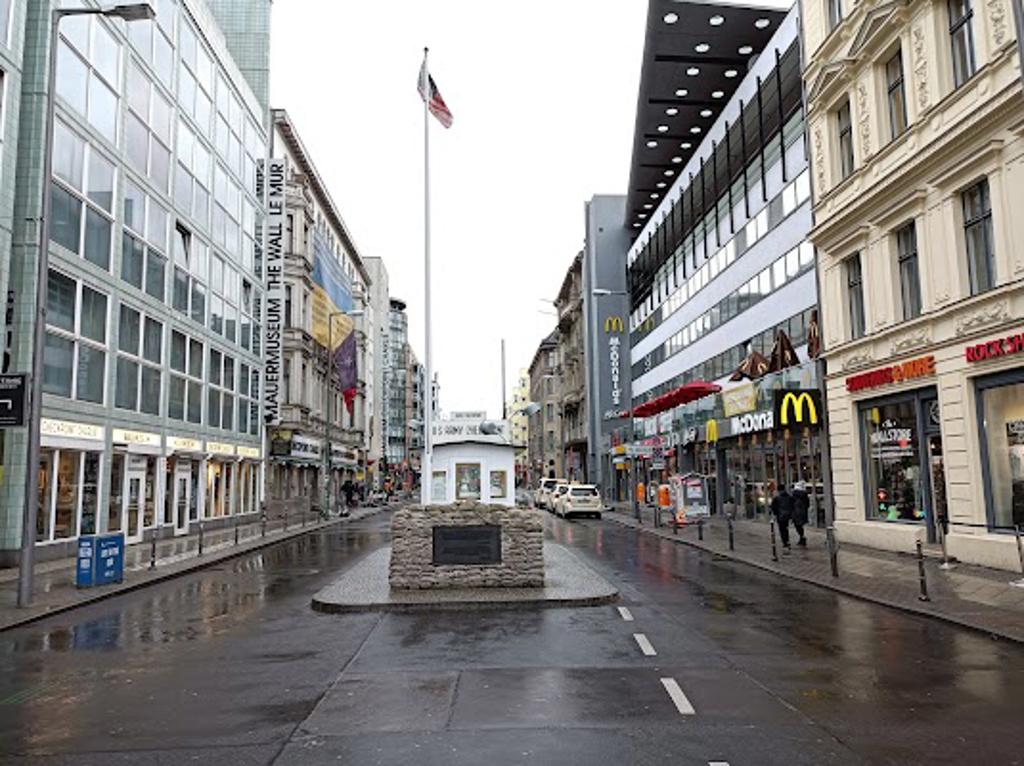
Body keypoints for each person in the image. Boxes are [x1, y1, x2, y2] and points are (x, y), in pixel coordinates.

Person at [770, 484, 796, 551]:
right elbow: (793, 505)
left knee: (782, 529)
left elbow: (773, 507)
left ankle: (785, 542)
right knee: (786, 529)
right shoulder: (789, 497)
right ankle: (787, 541)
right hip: (787, 515)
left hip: (780, 516)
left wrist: (776, 514)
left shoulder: (777, 498)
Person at [791, 481, 810, 547]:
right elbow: (807, 504)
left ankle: (802, 537)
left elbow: (791, 504)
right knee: (800, 525)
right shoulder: (805, 495)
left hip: (796, 513)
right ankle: (802, 537)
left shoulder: (794, 495)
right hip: (803, 512)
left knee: (797, 526)